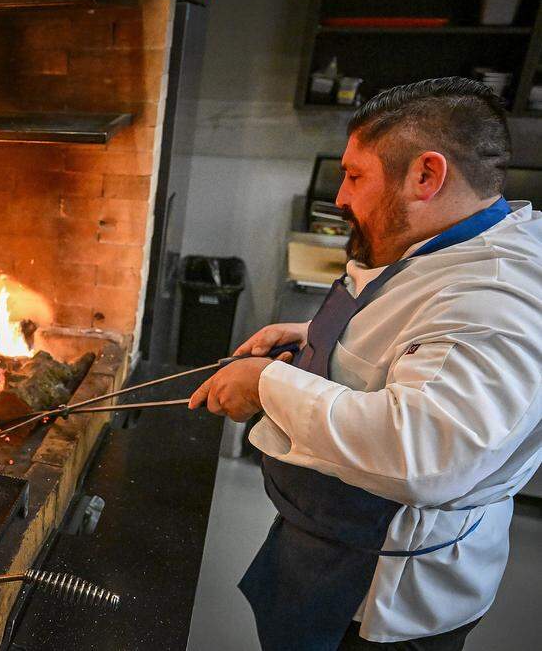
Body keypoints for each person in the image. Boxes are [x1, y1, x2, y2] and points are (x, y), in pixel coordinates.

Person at [188, 77, 542, 651]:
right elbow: (413, 336)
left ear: (427, 176)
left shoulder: (498, 301)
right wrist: (312, 336)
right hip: (330, 536)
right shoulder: (450, 245)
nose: (341, 198)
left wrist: (266, 385)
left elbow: (425, 454)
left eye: (355, 176)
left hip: (387, 588)